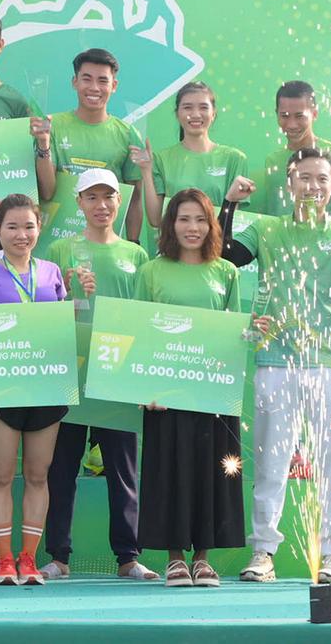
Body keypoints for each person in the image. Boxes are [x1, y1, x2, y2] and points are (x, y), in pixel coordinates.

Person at [219, 149, 331, 585]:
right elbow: (225, 254)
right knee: (271, 461)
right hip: (276, 362)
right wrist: (229, 204)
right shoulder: (267, 229)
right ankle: (263, 551)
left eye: (322, 179)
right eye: (304, 178)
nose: (313, 186)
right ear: (290, 184)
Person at [40, 169, 155, 581]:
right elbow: (45, 309)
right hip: (70, 375)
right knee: (60, 470)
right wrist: (69, 295)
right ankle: (58, 557)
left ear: (119, 201)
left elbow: (143, 319)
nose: (101, 205)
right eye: (92, 197)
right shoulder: (59, 250)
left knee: (123, 472)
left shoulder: (136, 255)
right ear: (79, 203)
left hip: (117, 378)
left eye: (108, 197)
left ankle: (128, 557)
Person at [136, 189, 244, 588]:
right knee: (169, 469)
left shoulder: (226, 272)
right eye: (184, 219)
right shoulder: (151, 271)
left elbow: (234, 332)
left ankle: (203, 558)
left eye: (200, 219)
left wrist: (254, 332)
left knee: (213, 472)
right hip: (165, 394)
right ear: (171, 224)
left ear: (212, 225)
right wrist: (146, 389)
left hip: (213, 392)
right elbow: (139, 331)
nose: (192, 227)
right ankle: (175, 558)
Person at [0, 194, 68, 586]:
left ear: (39, 229)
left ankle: (29, 558)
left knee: (38, 475)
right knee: (1, 475)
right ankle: (5, 560)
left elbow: (60, 330)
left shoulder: (52, 272)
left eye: (28, 226)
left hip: (46, 388)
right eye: (12, 226)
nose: (21, 234)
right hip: (1, 392)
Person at [32, 49, 145, 243]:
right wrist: (43, 143)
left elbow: (134, 199)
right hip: (56, 243)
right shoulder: (52, 126)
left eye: (102, 81)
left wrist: (133, 244)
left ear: (114, 85)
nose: (94, 88)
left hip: (106, 245)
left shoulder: (129, 134)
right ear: (74, 82)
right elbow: (47, 192)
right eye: (87, 79)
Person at [133, 81, 255, 250]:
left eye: (203, 107)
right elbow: (155, 220)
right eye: (187, 107)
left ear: (213, 113)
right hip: (174, 253)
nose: (196, 114)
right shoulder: (161, 159)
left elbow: (232, 221)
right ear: (177, 114)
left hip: (216, 252)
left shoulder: (234, 159)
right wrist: (146, 171)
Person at [251, 81, 331, 220]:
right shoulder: (272, 160)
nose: (291, 124)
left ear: (314, 114)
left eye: (299, 116)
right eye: (284, 116)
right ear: (277, 114)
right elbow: (273, 215)